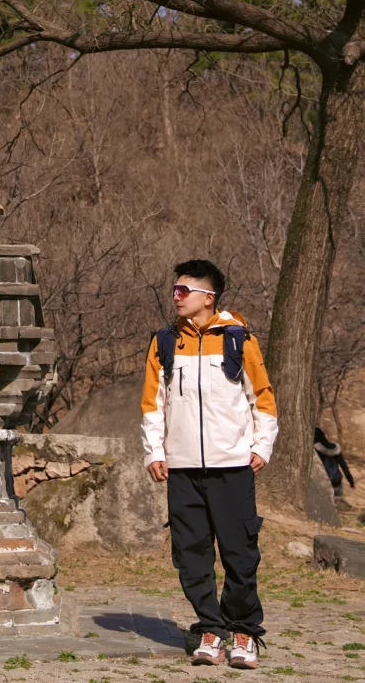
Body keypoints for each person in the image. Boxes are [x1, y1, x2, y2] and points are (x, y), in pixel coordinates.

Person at [141, 260, 278, 670]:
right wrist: (155, 452)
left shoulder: (239, 339)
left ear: (208, 297)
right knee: (190, 555)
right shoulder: (164, 341)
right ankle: (210, 631)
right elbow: (153, 403)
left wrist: (262, 446)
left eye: (184, 290)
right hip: (181, 469)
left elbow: (263, 398)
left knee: (240, 554)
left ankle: (243, 632)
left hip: (233, 467)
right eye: (175, 290)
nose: (176, 297)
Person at [314, 427, 355, 501]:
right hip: (337, 482)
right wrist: (351, 481)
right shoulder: (335, 448)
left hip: (323, 484)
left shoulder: (315, 450)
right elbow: (344, 466)